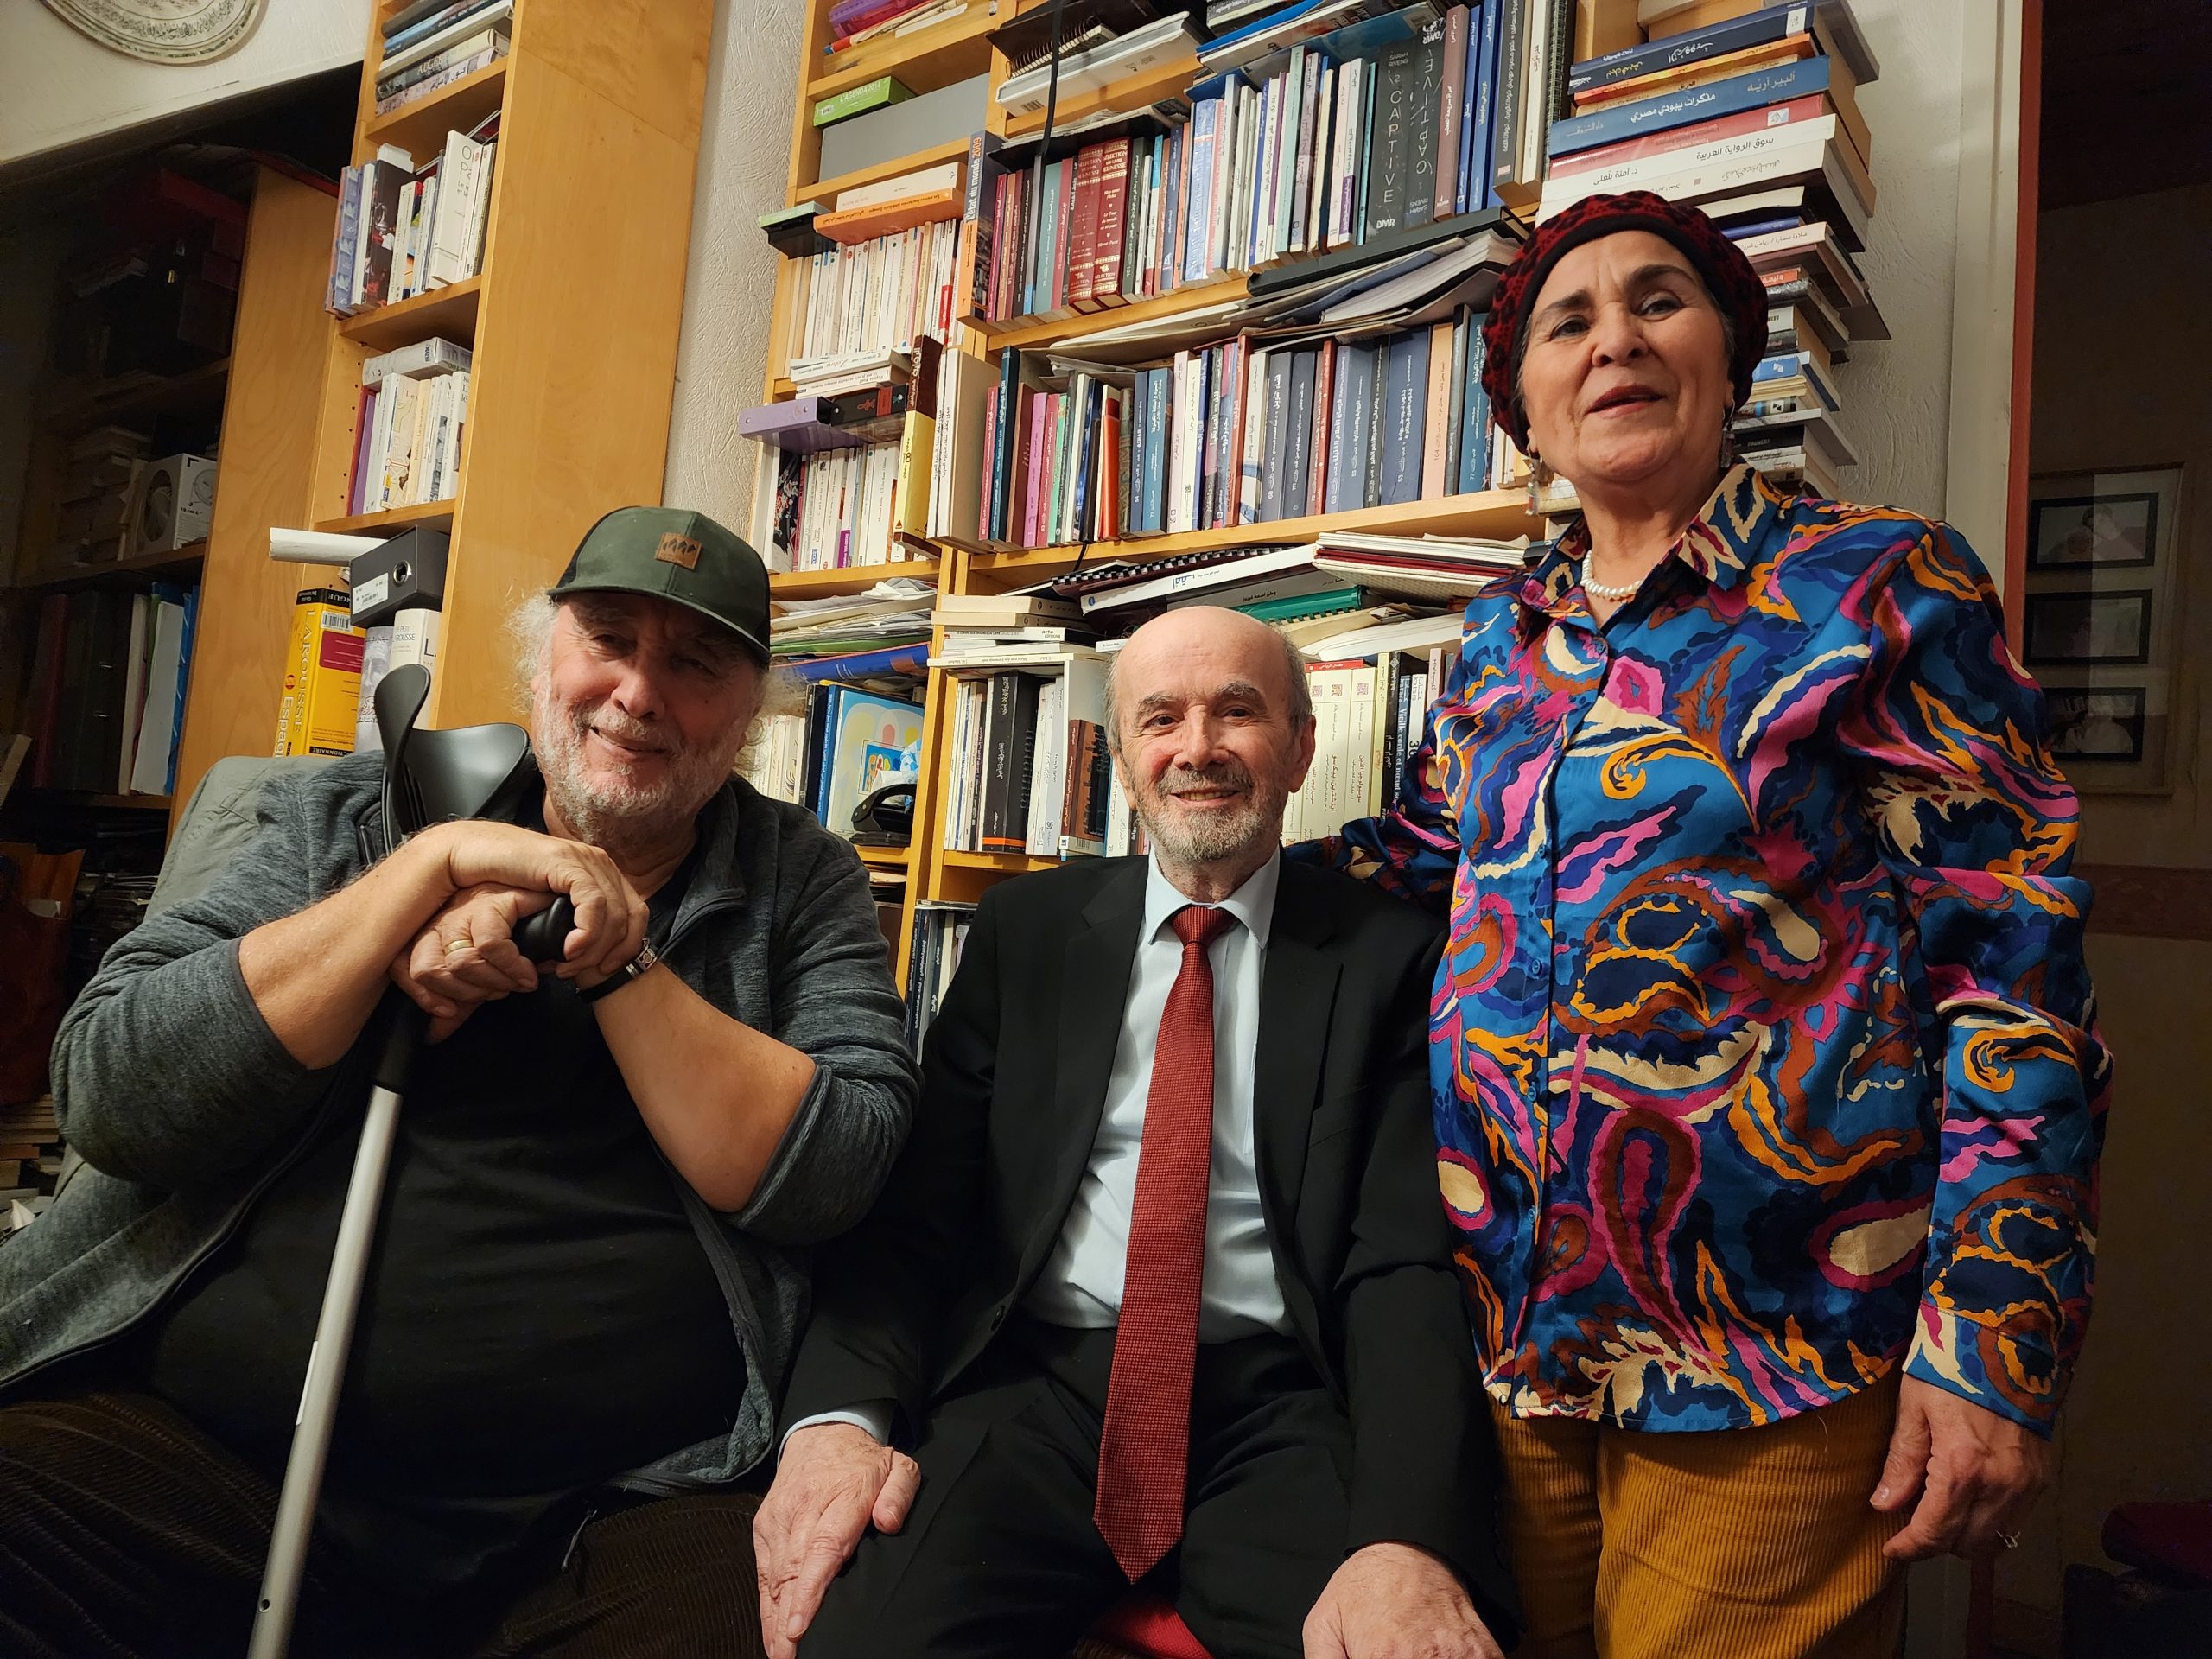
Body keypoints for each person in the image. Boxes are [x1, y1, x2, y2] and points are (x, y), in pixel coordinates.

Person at [1309, 192, 2111, 1657]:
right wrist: (1175, 868)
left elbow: (2014, 974)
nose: (1615, 338)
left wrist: (1996, 1336)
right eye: (1568, 323)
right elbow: (1412, 858)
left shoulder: (1878, 586)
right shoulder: (1497, 639)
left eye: (1658, 301)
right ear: (1526, 416)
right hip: (1501, 1338)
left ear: (1732, 363)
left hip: (1773, 1346)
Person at [0, 507, 917, 1658]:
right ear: (542, 658)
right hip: (208, 1455)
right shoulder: (355, 812)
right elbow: (116, 1093)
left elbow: (835, 1174)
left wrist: (613, 950)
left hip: (615, 1506)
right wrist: (420, 879)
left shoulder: (802, 879)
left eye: (696, 664)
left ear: (750, 715)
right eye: (608, 640)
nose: (638, 693)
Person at [754, 606, 1518, 1659]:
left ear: (1299, 748)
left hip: (1282, 1403)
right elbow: (917, 1217)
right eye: (1160, 720)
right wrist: (840, 1422)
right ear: (1121, 762)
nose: (1197, 748)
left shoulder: (1391, 957)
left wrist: (1405, 1539)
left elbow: (1401, 1267)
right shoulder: (1025, 933)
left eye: (1236, 712)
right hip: (1040, 1388)